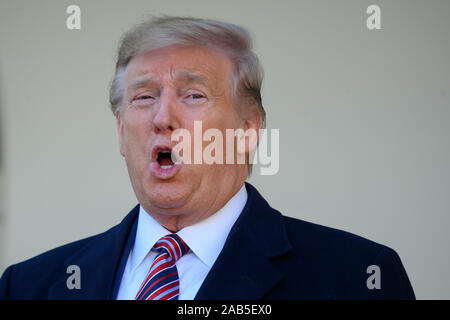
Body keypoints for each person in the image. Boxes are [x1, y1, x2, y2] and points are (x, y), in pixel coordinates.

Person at [0, 16, 414, 300]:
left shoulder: (357, 278)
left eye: (193, 95)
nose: (163, 118)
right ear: (120, 131)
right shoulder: (27, 285)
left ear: (248, 129)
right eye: (144, 97)